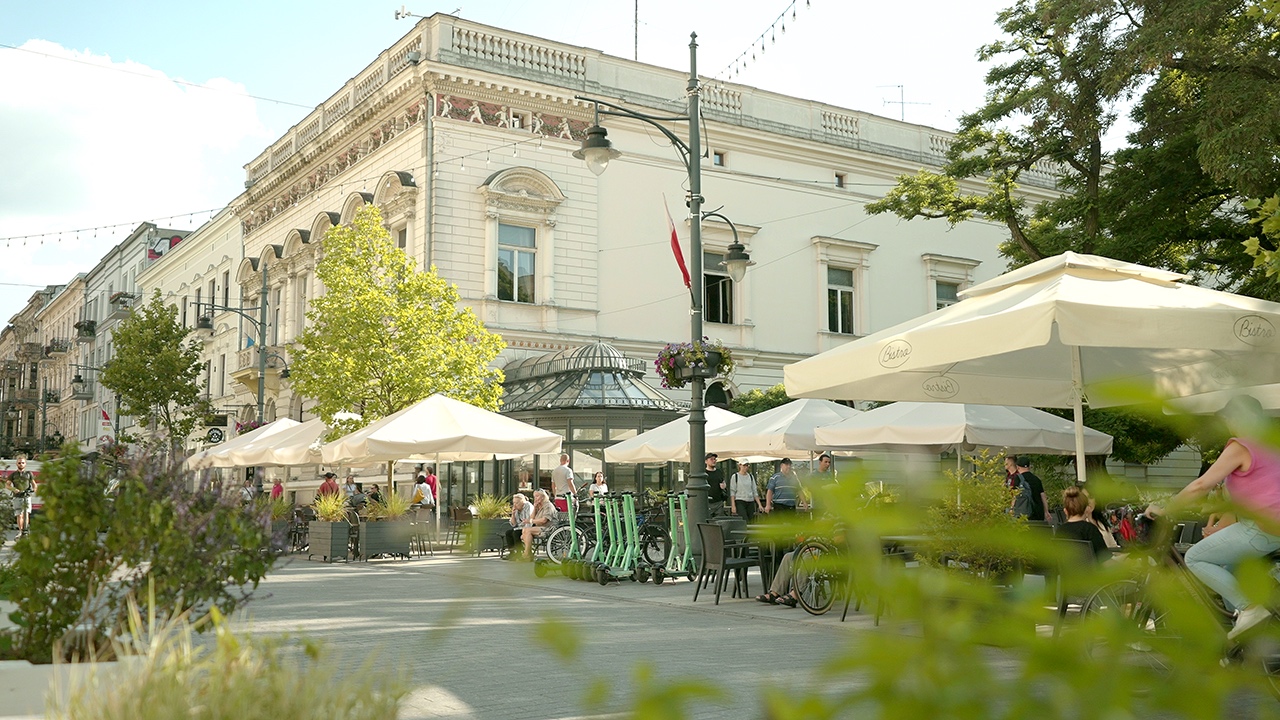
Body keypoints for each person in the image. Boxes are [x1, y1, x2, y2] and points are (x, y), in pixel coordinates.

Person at [1147, 396, 1280, 640]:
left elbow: (1201, 485)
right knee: (1230, 570)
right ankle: (1244, 642)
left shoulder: (1241, 446)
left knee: (1195, 557)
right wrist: (1219, 526)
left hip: (1261, 528)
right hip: (1270, 528)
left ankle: (1251, 610)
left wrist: (1167, 509)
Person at [1054, 487, 1110, 560]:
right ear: (1086, 509)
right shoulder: (1090, 529)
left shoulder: (1060, 530)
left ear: (1065, 511)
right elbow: (1105, 561)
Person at [521, 489, 558, 560]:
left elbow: (544, 520)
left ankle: (527, 554)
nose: (535, 498)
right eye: (534, 496)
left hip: (549, 528)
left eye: (537, 496)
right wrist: (535, 507)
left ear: (543, 497)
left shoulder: (548, 506)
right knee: (525, 531)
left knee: (527, 531)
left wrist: (531, 521)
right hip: (541, 527)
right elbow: (531, 518)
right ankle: (528, 554)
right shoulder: (539, 505)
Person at [1009, 455, 1048, 522]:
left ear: (1017, 467)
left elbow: (1015, 496)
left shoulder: (1018, 479)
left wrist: (1012, 509)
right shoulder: (1036, 479)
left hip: (1024, 513)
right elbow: (1043, 496)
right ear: (1029, 467)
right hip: (1038, 513)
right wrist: (1046, 511)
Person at [6, 454, 34, 537]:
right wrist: (14, 489)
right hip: (17, 496)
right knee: (19, 514)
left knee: (26, 514)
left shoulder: (29, 474)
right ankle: (21, 531)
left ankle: (25, 530)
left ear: (25, 464)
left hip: (27, 496)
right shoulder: (13, 475)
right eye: (19, 463)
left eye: (22, 463)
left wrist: (34, 490)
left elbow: (34, 484)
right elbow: (7, 485)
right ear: (16, 464)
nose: (21, 464)